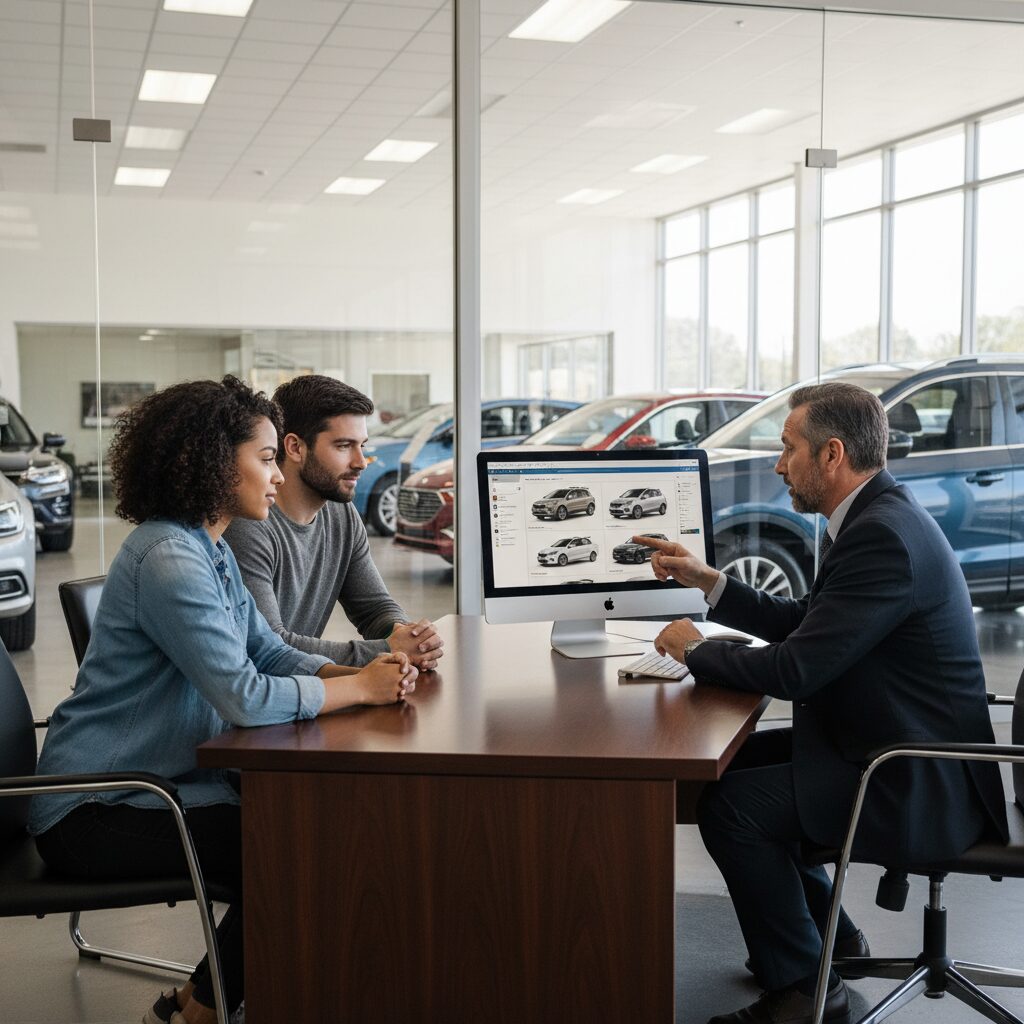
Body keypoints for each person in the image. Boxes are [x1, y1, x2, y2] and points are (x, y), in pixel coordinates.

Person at [28, 377, 417, 1024]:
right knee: (295, 848)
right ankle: (201, 1012)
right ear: (212, 462)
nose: (277, 472)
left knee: (302, 830)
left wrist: (360, 673)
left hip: (152, 784)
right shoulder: (169, 559)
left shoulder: (206, 544)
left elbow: (264, 652)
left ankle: (192, 1004)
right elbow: (242, 696)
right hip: (95, 808)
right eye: (265, 458)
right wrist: (354, 689)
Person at [635, 382, 1008, 1024]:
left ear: (831, 454)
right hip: (882, 741)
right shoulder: (874, 516)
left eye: (787, 448)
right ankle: (831, 940)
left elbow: (798, 668)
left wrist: (694, 652)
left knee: (734, 810)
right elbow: (809, 621)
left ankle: (807, 991)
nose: (778, 464)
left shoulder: (882, 535)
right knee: (727, 771)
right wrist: (710, 582)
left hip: (913, 772)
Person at [223, 375, 443, 672]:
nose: (361, 461)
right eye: (343, 446)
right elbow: (268, 647)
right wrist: (388, 649)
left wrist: (408, 637)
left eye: (362, 445)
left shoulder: (341, 513)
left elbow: (374, 607)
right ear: (295, 447)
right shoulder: (247, 526)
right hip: (259, 704)